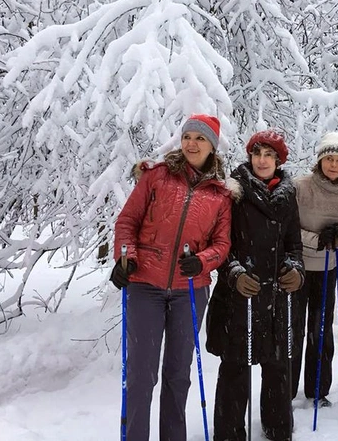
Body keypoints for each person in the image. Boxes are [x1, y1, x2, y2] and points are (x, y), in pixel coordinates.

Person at [111, 114, 233, 441]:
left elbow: (222, 244)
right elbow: (127, 223)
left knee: (178, 374)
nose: (192, 143)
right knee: (141, 373)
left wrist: (204, 261)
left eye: (200, 138)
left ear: (212, 146)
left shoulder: (220, 195)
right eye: (188, 136)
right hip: (145, 286)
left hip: (190, 292)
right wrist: (126, 258)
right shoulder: (157, 177)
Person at [206, 129, 304, 441]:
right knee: (236, 366)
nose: (262, 160)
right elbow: (219, 243)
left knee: (277, 366)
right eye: (257, 153)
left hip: (276, 297)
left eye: (269, 155)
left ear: (279, 160)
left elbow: (294, 244)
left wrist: (296, 269)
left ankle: (278, 428)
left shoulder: (288, 196)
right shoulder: (232, 192)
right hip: (240, 296)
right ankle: (229, 431)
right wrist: (234, 272)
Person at [291, 132, 338, 405]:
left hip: (327, 270)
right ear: (319, 161)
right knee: (292, 330)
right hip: (295, 270)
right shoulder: (299, 187)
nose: (333, 164)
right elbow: (287, 230)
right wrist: (317, 239)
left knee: (320, 330)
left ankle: (318, 390)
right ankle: (285, 388)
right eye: (328, 158)